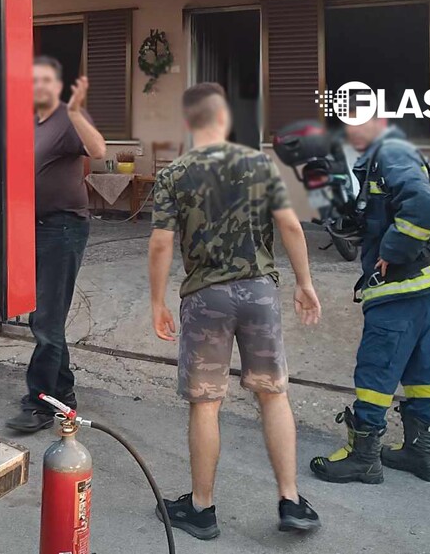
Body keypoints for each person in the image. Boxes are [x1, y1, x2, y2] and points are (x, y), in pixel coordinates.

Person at [148, 82, 323, 539]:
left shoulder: (174, 174)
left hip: (206, 298)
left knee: (206, 403)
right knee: (273, 394)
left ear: (188, 122)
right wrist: (304, 282)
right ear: (224, 118)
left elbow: (162, 243)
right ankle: (291, 500)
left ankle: (202, 509)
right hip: (259, 292)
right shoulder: (259, 163)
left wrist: (157, 301)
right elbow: (289, 225)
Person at [309, 114, 430, 485]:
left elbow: (423, 206)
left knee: (376, 367)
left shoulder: (391, 153)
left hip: (398, 285)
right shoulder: (379, 158)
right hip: (418, 284)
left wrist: (392, 250)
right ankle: (421, 451)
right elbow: (373, 217)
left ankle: (363, 458)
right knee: (421, 369)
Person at [6, 56, 106, 433]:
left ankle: (40, 405)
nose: (40, 86)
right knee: (44, 318)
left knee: (47, 321)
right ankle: (62, 392)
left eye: (47, 80)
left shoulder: (67, 117)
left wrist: (77, 112)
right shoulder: (32, 122)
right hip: (34, 227)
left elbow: (98, 150)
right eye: (33, 80)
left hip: (63, 228)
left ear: (58, 85)